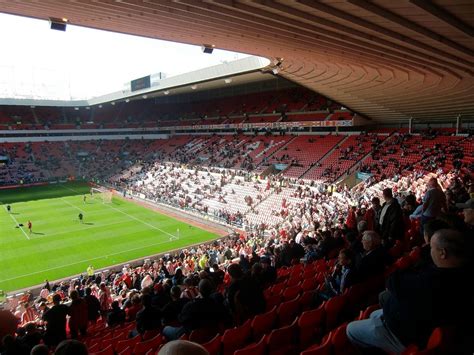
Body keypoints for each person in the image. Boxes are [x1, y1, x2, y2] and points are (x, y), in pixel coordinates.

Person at [346, 229, 473, 353]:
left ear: (443, 253)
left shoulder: (431, 282)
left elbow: (393, 281)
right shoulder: (459, 274)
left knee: (350, 329)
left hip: (401, 335)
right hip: (409, 321)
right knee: (373, 313)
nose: (429, 250)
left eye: (431, 248)